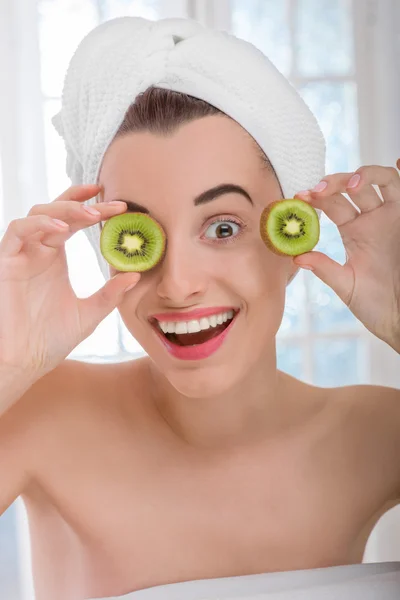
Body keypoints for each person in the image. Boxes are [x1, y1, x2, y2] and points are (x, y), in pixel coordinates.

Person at [0, 16, 400, 600]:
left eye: (223, 226)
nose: (178, 284)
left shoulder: (375, 436)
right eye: (141, 235)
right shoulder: (42, 417)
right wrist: (6, 366)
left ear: (294, 236)